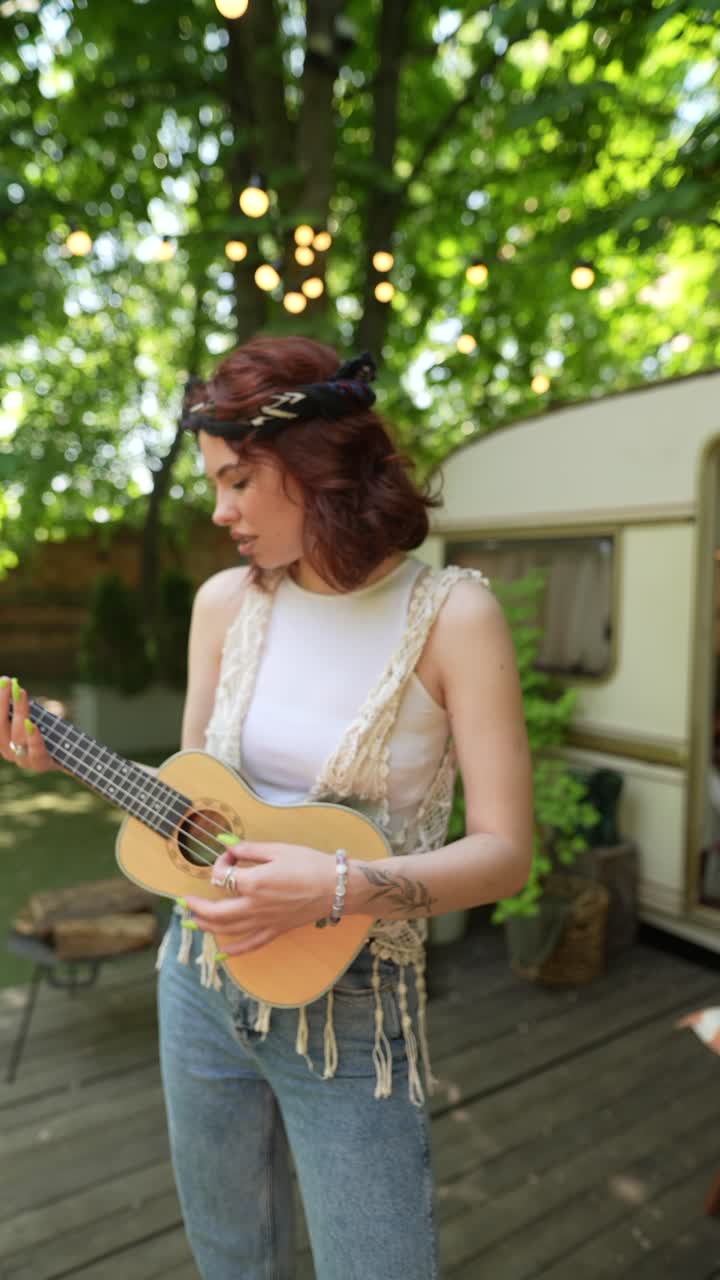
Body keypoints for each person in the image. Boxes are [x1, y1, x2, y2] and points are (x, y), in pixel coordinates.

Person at [1, 336, 533, 1280]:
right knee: (231, 1261)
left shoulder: (454, 616)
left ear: (315, 466)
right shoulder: (223, 605)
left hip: (353, 1017)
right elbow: (196, 802)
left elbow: (504, 855)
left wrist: (335, 884)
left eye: (239, 480)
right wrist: (64, 751)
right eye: (214, 483)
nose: (220, 511)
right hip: (195, 984)